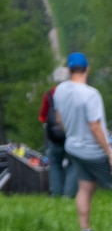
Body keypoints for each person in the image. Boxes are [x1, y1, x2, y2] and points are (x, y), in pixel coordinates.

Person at [52, 52, 112, 231]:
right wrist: (109, 152)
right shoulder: (90, 95)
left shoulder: (60, 90)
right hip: (94, 151)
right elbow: (95, 127)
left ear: (69, 70)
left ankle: (85, 229)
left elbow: (59, 119)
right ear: (87, 69)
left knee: (85, 187)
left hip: (73, 147)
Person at [43, 63, 73, 198]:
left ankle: (56, 192)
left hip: (54, 136)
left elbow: (42, 116)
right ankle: (69, 193)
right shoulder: (73, 93)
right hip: (71, 134)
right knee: (72, 163)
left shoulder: (49, 94)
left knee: (55, 164)